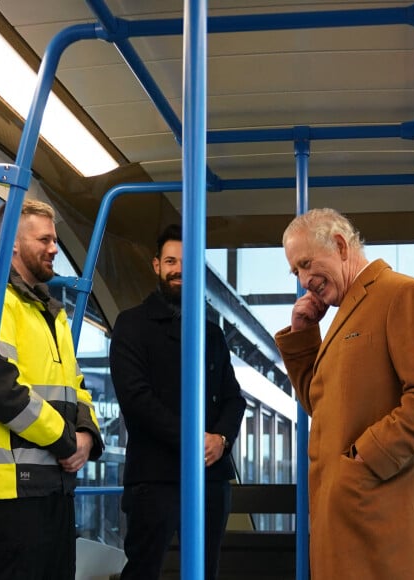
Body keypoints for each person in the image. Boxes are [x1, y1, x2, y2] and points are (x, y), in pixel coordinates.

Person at [274, 208, 414, 580]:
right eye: (295, 271)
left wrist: (365, 457)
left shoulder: (402, 294)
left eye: (307, 263)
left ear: (341, 246)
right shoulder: (349, 312)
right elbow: (322, 405)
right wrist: (303, 337)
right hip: (352, 520)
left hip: (382, 523)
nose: (303, 280)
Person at [0, 199, 104, 580]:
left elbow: (76, 385)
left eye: (55, 240)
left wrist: (87, 434)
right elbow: (0, 386)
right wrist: (67, 443)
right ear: (13, 244)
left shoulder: (50, 311)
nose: (55, 248)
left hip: (53, 486)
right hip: (9, 492)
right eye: (45, 239)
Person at [109, 224, 246, 580]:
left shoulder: (211, 332)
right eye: (170, 261)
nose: (178, 269)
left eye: (186, 261)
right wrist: (195, 440)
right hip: (154, 479)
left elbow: (234, 398)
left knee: (205, 572)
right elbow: (137, 399)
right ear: (156, 265)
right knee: (144, 572)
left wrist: (222, 439)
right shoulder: (131, 326)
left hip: (210, 478)